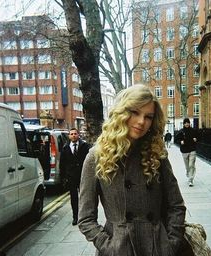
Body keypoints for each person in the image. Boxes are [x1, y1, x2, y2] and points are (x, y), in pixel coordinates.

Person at [78, 85, 186, 256]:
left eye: (148, 117)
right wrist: (109, 247)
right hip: (119, 249)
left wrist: (170, 245)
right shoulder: (97, 156)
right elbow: (85, 218)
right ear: (121, 113)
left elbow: (176, 206)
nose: (142, 121)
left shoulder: (157, 155)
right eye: (135, 112)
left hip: (156, 248)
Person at [60, 127, 89, 225]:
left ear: (78, 135)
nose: (73, 135)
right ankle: (75, 217)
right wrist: (63, 178)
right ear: (69, 136)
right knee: (74, 198)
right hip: (71, 177)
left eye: (75, 134)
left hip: (83, 176)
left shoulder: (85, 146)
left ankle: (85, 216)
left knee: (84, 197)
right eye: (71, 134)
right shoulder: (65, 148)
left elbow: (89, 161)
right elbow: (62, 164)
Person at [176, 118, 198, 187]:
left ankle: (190, 180)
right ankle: (188, 172)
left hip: (192, 150)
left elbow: (199, 137)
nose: (187, 124)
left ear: (189, 123)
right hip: (184, 150)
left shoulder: (193, 131)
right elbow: (176, 139)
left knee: (191, 165)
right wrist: (180, 142)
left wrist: (196, 139)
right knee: (187, 166)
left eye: (187, 122)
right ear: (183, 124)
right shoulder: (181, 131)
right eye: (185, 123)